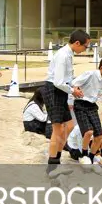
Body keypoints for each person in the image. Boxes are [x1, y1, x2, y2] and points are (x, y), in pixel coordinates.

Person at [44, 30, 90, 177]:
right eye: (85, 46)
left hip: (61, 91)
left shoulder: (69, 54)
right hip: (53, 90)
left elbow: (66, 78)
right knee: (57, 130)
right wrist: (72, 91)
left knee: (69, 126)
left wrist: (73, 87)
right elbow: (58, 82)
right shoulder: (63, 55)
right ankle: (52, 167)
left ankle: (57, 161)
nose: (85, 49)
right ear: (77, 43)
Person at [69, 55, 102, 166]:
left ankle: (91, 157)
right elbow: (74, 82)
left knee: (99, 136)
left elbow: (97, 95)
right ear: (101, 68)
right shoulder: (90, 74)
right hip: (80, 104)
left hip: (92, 106)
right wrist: (75, 89)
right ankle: (84, 155)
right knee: (88, 132)